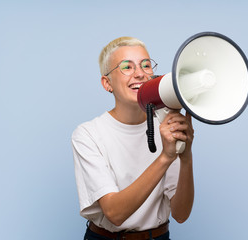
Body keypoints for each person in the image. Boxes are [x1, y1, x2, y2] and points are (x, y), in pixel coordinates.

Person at [71, 36, 195, 240]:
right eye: (127, 67)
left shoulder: (165, 127)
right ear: (107, 83)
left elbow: (181, 214)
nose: (140, 74)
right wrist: (165, 157)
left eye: (146, 65)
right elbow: (115, 213)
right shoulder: (88, 134)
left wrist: (186, 156)